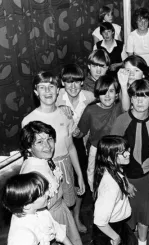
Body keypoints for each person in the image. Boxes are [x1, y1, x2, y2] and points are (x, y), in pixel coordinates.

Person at [19, 121, 84, 245]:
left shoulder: (42, 161)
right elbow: (34, 216)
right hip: (50, 221)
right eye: (39, 142)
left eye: (49, 139)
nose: (47, 145)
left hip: (58, 213)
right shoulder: (33, 173)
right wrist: (52, 241)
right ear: (29, 147)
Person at [111, 79, 149, 245]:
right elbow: (112, 154)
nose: (140, 101)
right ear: (130, 99)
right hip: (125, 177)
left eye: (145, 97)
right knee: (124, 213)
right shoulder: (121, 121)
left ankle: (142, 242)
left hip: (148, 177)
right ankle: (125, 241)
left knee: (144, 212)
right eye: (135, 96)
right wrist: (123, 181)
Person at [21, 71, 85, 212]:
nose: (47, 91)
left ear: (58, 90)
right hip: (44, 170)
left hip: (65, 164)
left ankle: (73, 221)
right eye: (42, 87)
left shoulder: (65, 114)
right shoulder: (28, 120)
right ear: (36, 92)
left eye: (51, 86)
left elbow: (71, 147)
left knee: (68, 204)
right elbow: (29, 154)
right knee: (49, 208)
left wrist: (79, 175)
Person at [92, 135, 144, 245]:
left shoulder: (115, 169)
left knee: (131, 244)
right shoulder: (110, 188)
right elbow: (99, 221)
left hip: (119, 222)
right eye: (122, 153)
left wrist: (127, 185)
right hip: (107, 228)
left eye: (127, 150)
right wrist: (114, 236)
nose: (128, 154)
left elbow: (121, 178)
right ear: (109, 157)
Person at [57, 63, 94, 233]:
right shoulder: (56, 97)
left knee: (81, 182)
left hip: (81, 145)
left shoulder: (90, 97)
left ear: (82, 82)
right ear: (62, 83)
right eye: (68, 82)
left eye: (77, 81)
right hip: (61, 146)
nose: (73, 86)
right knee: (63, 184)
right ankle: (64, 220)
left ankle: (76, 217)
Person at [76, 75, 128, 192]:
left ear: (116, 94)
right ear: (98, 94)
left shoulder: (119, 107)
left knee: (117, 180)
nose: (107, 95)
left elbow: (126, 108)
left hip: (117, 149)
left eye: (111, 91)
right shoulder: (90, 110)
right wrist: (74, 132)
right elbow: (80, 132)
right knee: (94, 179)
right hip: (96, 149)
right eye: (104, 92)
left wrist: (124, 86)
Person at [126, 7, 149, 86]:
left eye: (145, 21)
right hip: (137, 70)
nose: (143, 23)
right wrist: (137, 72)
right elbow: (131, 58)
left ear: (148, 21)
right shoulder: (131, 36)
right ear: (136, 22)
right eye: (140, 21)